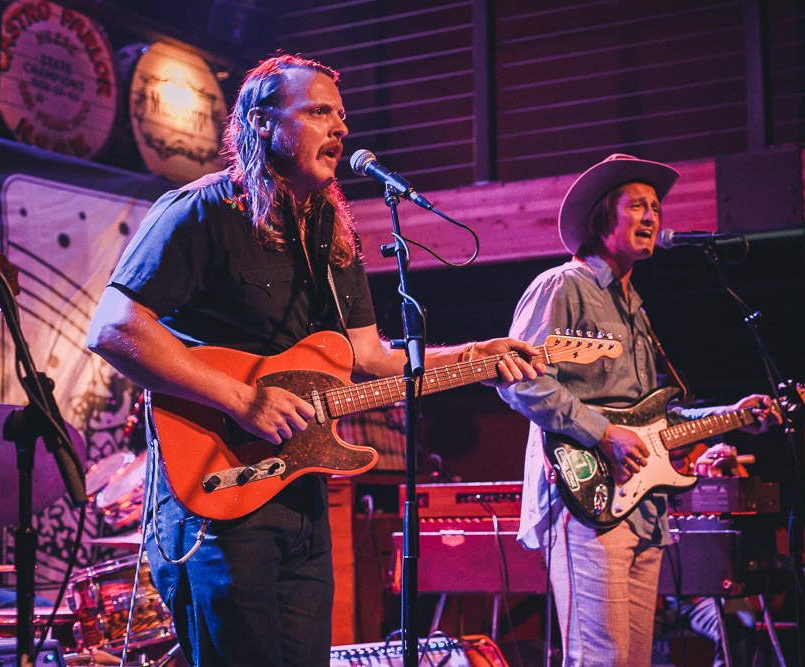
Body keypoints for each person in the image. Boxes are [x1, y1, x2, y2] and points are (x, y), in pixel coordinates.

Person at [86, 53, 543, 667]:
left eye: (342, 115)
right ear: (261, 122)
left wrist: (477, 355)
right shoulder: (200, 211)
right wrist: (243, 399)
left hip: (299, 492)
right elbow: (114, 328)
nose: (341, 128)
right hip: (215, 498)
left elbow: (370, 359)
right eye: (319, 111)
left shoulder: (333, 233)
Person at [497, 154, 780, 666]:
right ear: (603, 219)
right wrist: (602, 432)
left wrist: (735, 413)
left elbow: (654, 423)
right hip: (585, 500)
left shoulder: (635, 308)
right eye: (637, 206)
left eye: (655, 207)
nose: (653, 216)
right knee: (599, 659)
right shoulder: (563, 285)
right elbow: (520, 380)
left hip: (642, 508)